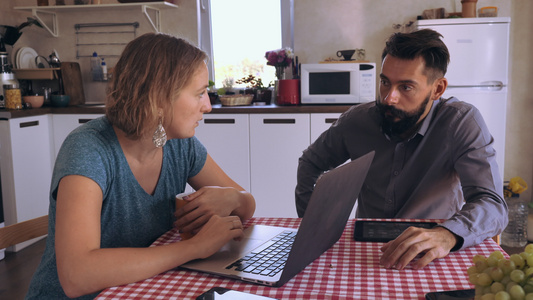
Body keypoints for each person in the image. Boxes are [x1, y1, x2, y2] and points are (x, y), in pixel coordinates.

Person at [26, 33, 255, 299]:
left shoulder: (180, 145)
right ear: (159, 99)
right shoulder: (88, 149)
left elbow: (247, 206)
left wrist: (232, 197)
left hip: (143, 288)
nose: (208, 106)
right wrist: (194, 248)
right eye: (199, 93)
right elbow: (77, 276)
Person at [295, 29, 507, 270]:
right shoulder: (356, 121)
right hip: (365, 251)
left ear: (437, 89)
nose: (389, 98)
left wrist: (447, 234)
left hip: (433, 248)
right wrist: (311, 222)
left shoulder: (461, 122)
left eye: (406, 87)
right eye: (385, 82)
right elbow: (311, 163)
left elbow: (492, 203)